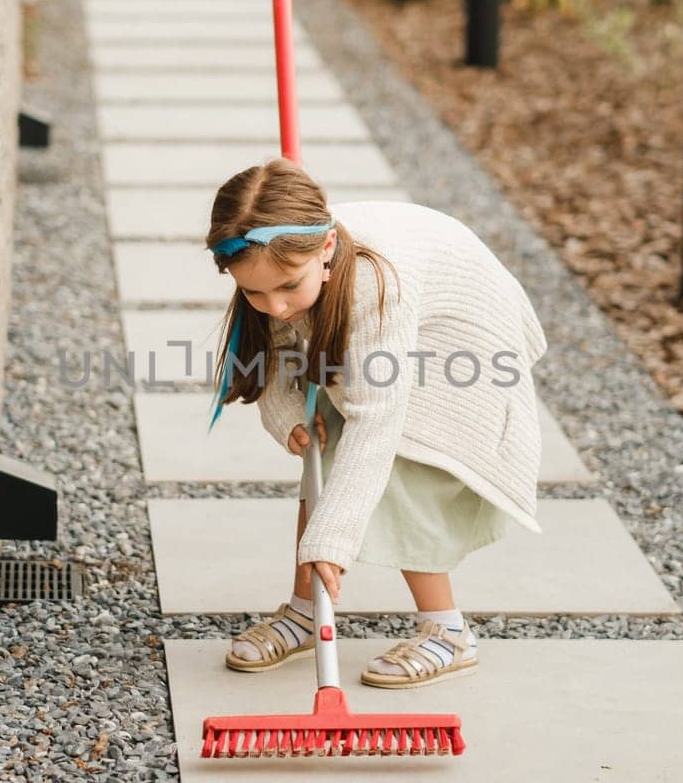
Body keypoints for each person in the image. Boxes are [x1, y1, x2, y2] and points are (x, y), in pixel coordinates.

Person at [204, 158, 548, 689]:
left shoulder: (375, 286)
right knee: (325, 444)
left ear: (326, 251)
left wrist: (332, 541)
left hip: (462, 345)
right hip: (390, 334)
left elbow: (376, 425)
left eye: (287, 289)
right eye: (254, 292)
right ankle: (305, 611)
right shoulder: (273, 262)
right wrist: (285, 414)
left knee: (406, 467)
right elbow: (269, 349)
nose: (273, 307)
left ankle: (448, 630)